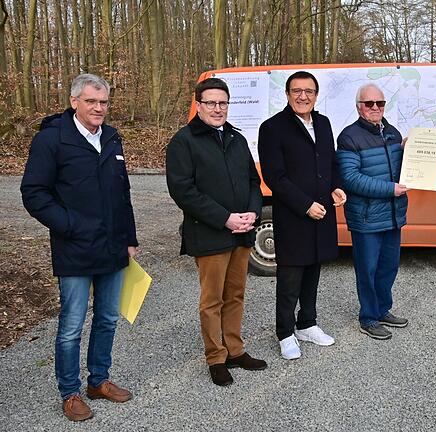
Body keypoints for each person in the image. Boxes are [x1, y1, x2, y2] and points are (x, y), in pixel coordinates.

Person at [20, 73, 138, 421]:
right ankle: (69, 392)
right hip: (74, 248)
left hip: (113, 248)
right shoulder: (52, 140)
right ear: (75, 102)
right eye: (91, 102)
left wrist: (129, 238)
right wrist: (70, 225)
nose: (99, 108)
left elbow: (123, 194)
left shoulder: (113, 138)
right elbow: (33, 194)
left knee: (107, 319)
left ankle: (98, 381)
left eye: (103, 102)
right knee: (72, 326)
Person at [166, 77, 267, 387]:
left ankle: (235, 349)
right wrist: (225, 218)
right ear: (199, 104)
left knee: (235, 294)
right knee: (212, 300)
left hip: (242, 231)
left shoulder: (236, 139)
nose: (218, 108)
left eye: (223, 103)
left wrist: (253, 211)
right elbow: (183, 190)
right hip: (210, 233)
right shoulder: (184, 141)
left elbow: (253, 181)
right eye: (211, 103)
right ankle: (216, 357)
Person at [258, 71, 347, 359]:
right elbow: (275, 176)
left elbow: (331, 162)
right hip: (295, 213)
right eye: (296, 91)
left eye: (308, 91)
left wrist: (336, 187)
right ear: (287, 94)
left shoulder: (323, 123)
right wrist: (305, 204)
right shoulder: (273, 127)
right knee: (290, 276)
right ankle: (285, 331)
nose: (302, 96)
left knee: (314, 268)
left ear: (316, 95)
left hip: (322, 213)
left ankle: (307, 323)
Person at [336, 83, 409, 340]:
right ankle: (368, 317)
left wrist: (411, 151)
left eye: (380, 103)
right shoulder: (349, 137)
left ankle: (382, 309)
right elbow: (351, 178)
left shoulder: (392, 132)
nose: (376, 107)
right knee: (367, 269)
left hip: (392, 215)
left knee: (389, 267)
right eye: (370, 104)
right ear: (359, 107)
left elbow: (402, 169)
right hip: (366, 217)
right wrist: (390, 189)